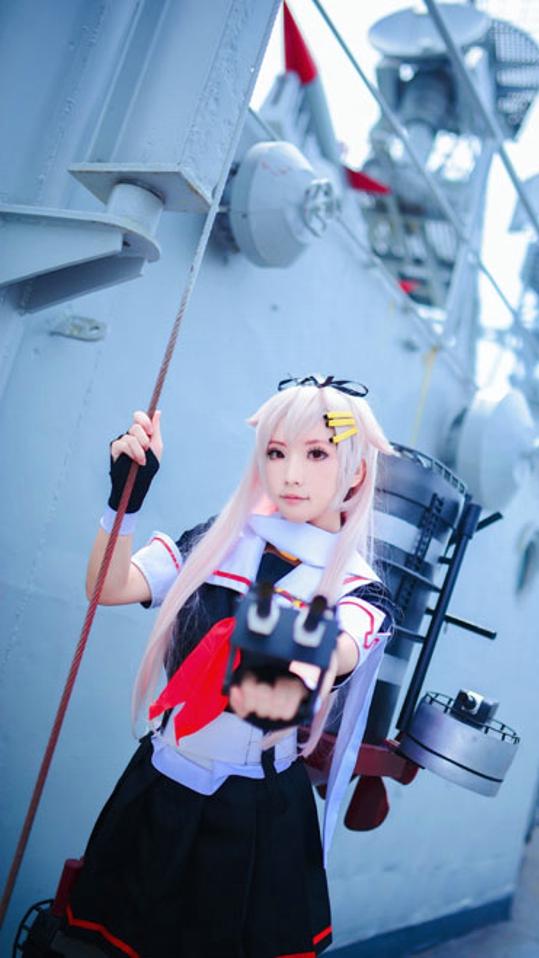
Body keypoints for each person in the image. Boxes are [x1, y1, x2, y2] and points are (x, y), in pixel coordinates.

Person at [63, 375, 395, 958]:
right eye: (277, 452)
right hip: (162, 781)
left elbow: (341, 650)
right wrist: (124, 501)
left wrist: (283, 637)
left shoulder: (358, 590)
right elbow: (108, 587)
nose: (291, 474)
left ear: (356, 473)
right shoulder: (217, 541)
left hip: (250, 814)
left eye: (317, 454)